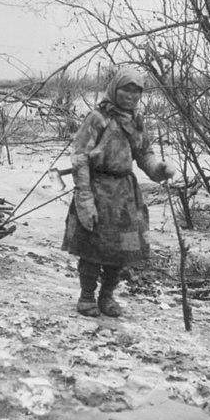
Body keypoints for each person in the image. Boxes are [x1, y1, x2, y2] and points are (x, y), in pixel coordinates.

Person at [62, 67, 175, 317]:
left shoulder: (136, 120)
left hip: (125, 195)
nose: (131, 96)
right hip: (97, 189)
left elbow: (144, 153)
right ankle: (87, 297)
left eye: (137, 91)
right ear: (115, 89)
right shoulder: (97, 119)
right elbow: (80, 159)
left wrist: (159, 169)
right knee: (94, 249)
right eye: (126, 89)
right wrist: (84, 200)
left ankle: (107, 297)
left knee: (121, 251)